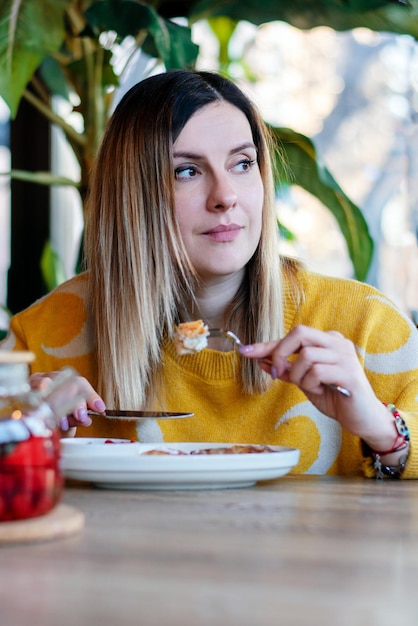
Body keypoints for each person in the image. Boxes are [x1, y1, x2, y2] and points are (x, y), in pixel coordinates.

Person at [2, 69, 418, 478]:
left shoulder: (364, 327)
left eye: (241, 163)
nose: (226, 196)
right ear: (132, 196)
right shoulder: (46, 336)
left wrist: (385, 432)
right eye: (188, 171)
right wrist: (19, 431)